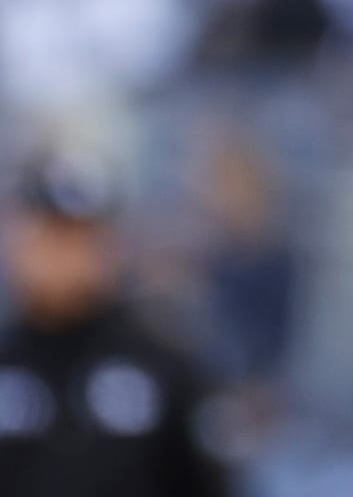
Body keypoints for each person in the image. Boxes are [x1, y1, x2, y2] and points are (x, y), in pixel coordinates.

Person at [0, 150, 234, 497]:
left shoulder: (165, 365)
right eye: (50, 235)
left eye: (83, 236)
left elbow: (210, 481)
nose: (66, 255)